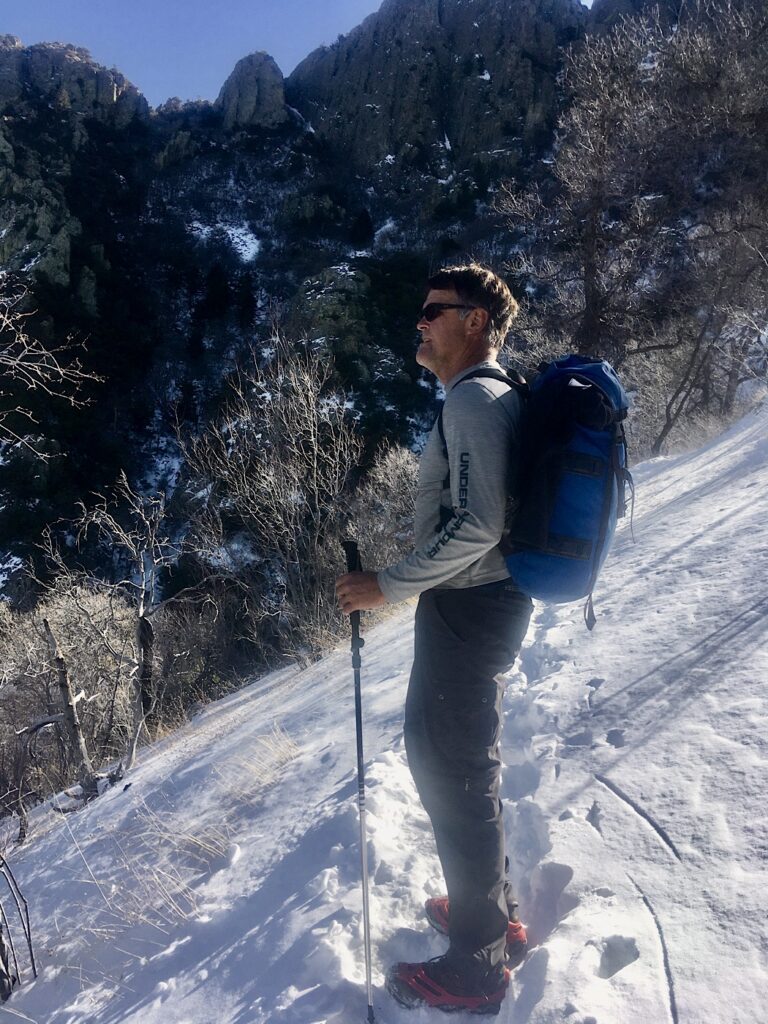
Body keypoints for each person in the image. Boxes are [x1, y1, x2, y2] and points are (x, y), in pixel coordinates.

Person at [336, 263, 533, 1014]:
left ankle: (479, 965)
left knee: (451, 772)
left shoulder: (475, 401)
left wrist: (387, 584)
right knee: (459, 766)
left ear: (475, 321)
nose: (419, 323)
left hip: (470, 607)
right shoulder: (483, 398)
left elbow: (480, 524)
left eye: (434, 312)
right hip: (479, 604)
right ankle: (494, 916)